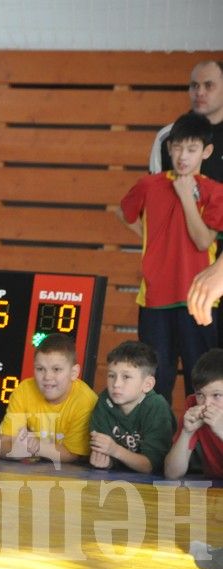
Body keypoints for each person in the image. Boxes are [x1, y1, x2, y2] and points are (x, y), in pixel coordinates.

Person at [121, 112, 223, 404]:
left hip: (199, 300)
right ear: (168, 148)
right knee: (154, 381)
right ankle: (154, 447)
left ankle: (200, 447)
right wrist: (149, 237)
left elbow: (204, 240)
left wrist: (187, 197)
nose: (182, 156)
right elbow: (124, 213)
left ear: (206, 151)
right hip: (155, 298)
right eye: (177, 147)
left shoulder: (215, 193)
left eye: (191, 149)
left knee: (201, 379)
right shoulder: (149, 185)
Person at [0, 333, 98, 464]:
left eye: (56, 369)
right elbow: (2, 444)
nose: (47, 377)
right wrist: (16, 449)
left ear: (74, 373)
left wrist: (36, 447)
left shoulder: (86, 401)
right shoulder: (24, 390)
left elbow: (73, 454)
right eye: (40, 369)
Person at [88, 341, 176, 474]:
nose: (116, 384)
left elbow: (151, 465)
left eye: (126, 377)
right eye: (112, 376)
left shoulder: (156, 407)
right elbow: (103, 452)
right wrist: (106, 460)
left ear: (147, 384)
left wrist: (115, 450)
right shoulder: (104, 400)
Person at [149, 60, 223, 182]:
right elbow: (154, 193)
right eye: (195, 85)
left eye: (208, 85)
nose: (199, 92)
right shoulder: (166, 136)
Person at [164, 348, 223, 479]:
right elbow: (171, 473)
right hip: (213, 490)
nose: (206, 404)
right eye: (200, 394)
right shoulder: (192, 403)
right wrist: (186, 433)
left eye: (217, 395)